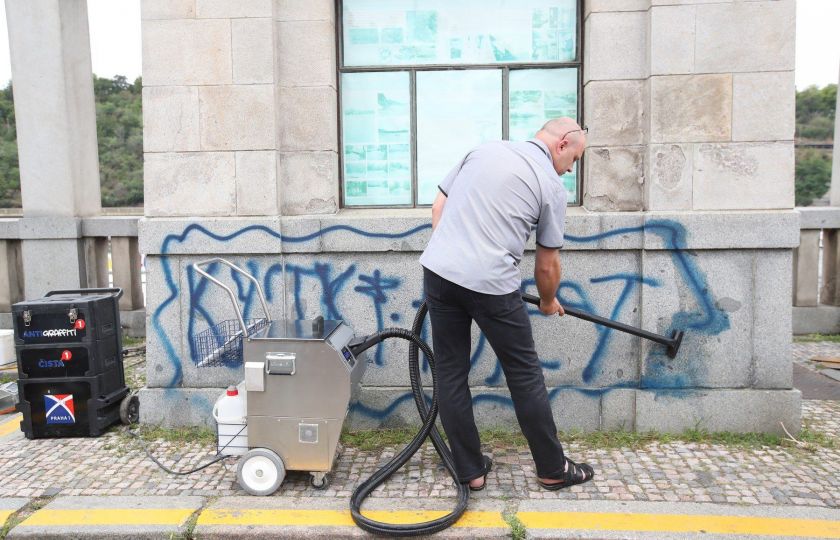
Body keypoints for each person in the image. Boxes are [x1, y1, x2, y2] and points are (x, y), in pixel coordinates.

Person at [419, 117, 595, 492]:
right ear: (563, 143)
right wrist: (548, 302)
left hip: (439, 272)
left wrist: (455, 256)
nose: (570, 170)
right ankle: (552, 469)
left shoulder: (483, 150)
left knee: (450, 371)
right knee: (523, 373)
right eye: (575, 160)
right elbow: (547, 264)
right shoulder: (550, 186)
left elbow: (439, 209)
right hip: (493, 285)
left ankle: (470, 471)